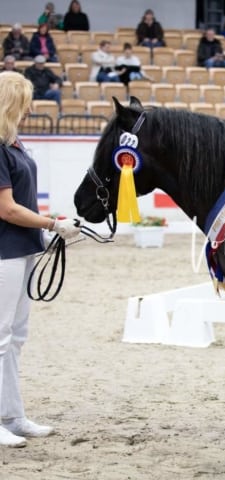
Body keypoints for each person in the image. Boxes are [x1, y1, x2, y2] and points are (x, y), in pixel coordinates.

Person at [0, 71, 81, 448]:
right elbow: (8, 209)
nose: (32, 108)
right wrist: (52, 222)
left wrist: (47, 232)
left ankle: (13, 416)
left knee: (16, 337)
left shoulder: (14, 144)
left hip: (23, 248)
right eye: (27, 101)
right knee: (0, 338)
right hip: (4, 251)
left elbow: (24, 202)